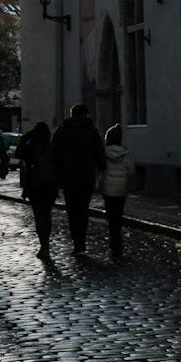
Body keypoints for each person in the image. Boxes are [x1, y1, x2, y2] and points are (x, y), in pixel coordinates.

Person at [51, 103, 106, 256]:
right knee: (83, 210)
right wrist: (101, 167)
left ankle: (77, 242)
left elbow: (55, 154)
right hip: (86, 176)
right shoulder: (91, 130)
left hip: (68, 177)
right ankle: (81, 242)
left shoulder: (62, 131)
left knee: (72, 211)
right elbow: (99, 152)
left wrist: (57, 172)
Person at [18, 121, 59, 260]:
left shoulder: (32, 148)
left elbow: (18, 152)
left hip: (35, 187)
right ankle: (46, 245)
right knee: (47, 216)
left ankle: (44, 246)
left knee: (39, 217)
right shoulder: (52, 148)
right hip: (50, 187)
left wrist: (27, 135)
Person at [101, 124, 136, 258]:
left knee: (111, 217)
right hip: (120, 190)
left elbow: (100, 170)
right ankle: (117, 243)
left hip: (108, 189)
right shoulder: (125, 154)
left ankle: (113, 241)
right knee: (118, 217)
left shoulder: (103, 153)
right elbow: (131, 171)